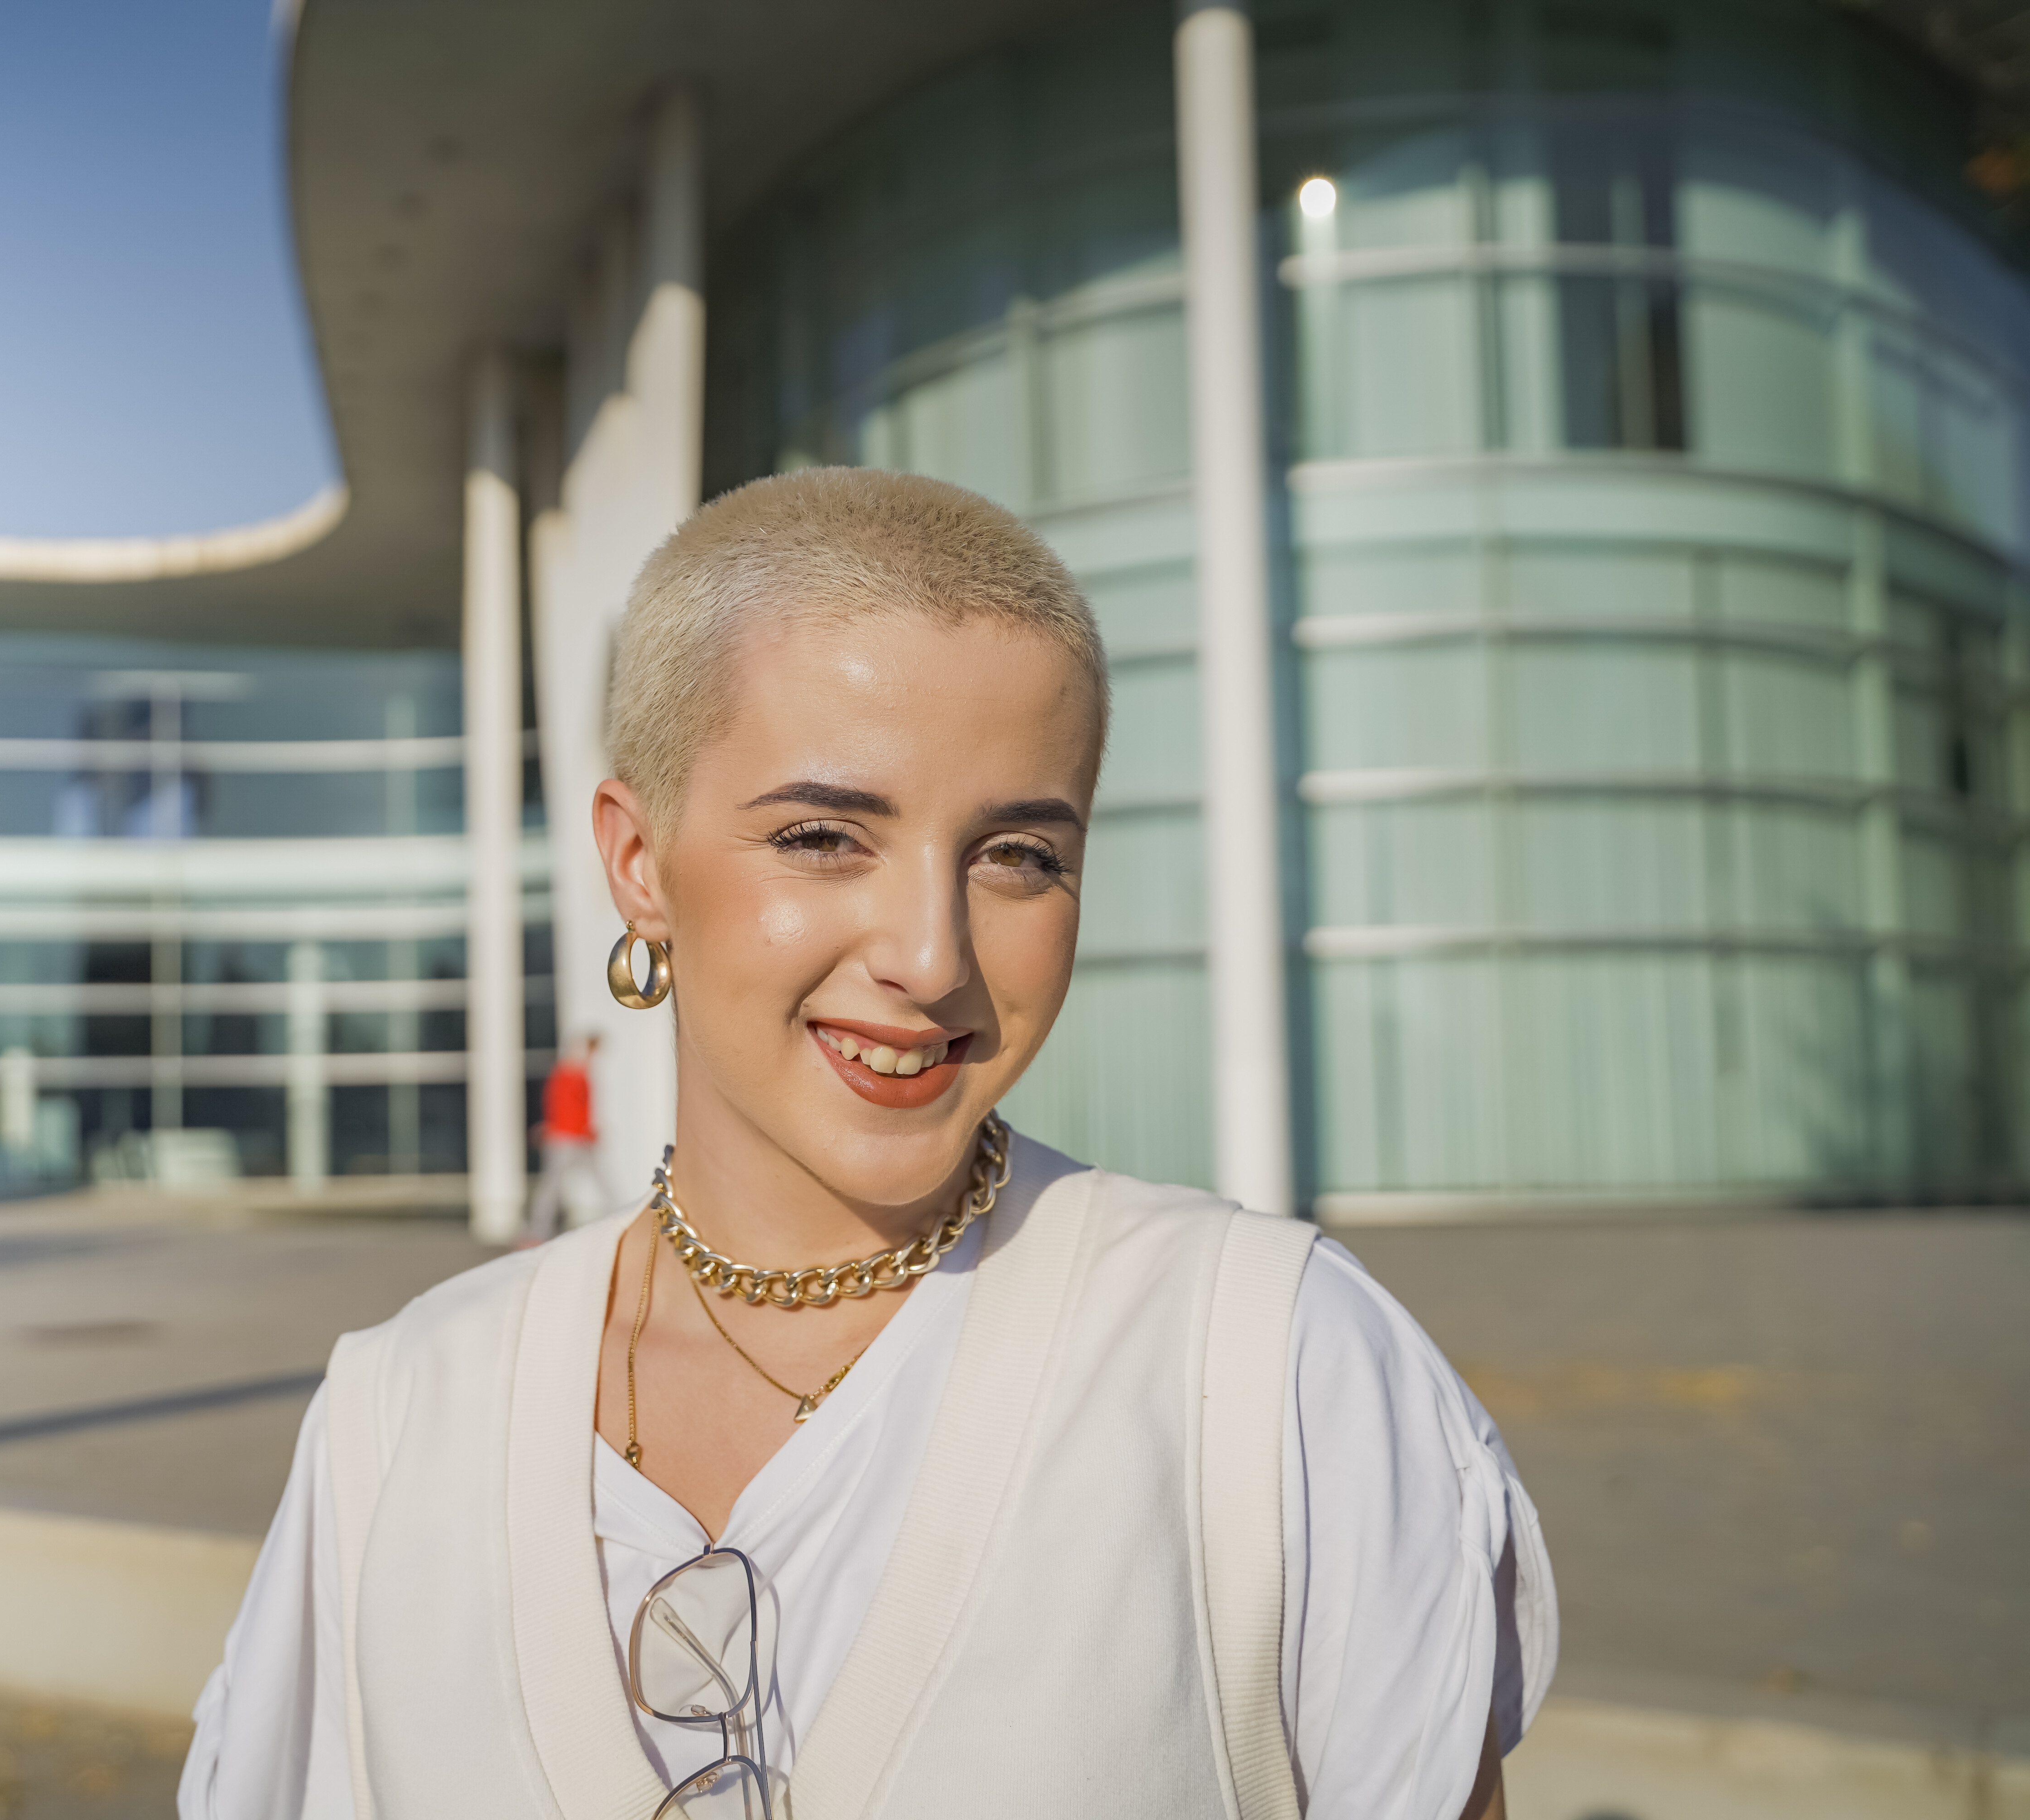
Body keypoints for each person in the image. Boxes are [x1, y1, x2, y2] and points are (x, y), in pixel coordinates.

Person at [179, 469, 1553, 1819]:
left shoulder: (1269, 1364)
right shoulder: (402, 1417)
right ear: (638, 861)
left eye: (1017, 855)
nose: (930, 955)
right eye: (826, 835)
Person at [522, 1032, 605, 1245]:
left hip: (576, 1139)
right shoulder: (567, 1076)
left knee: (600, 1179)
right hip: (565, 1140)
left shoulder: (579, 1075)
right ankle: (537, 1230)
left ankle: (538, 1229)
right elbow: (564, 1110)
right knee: (553, 1186)